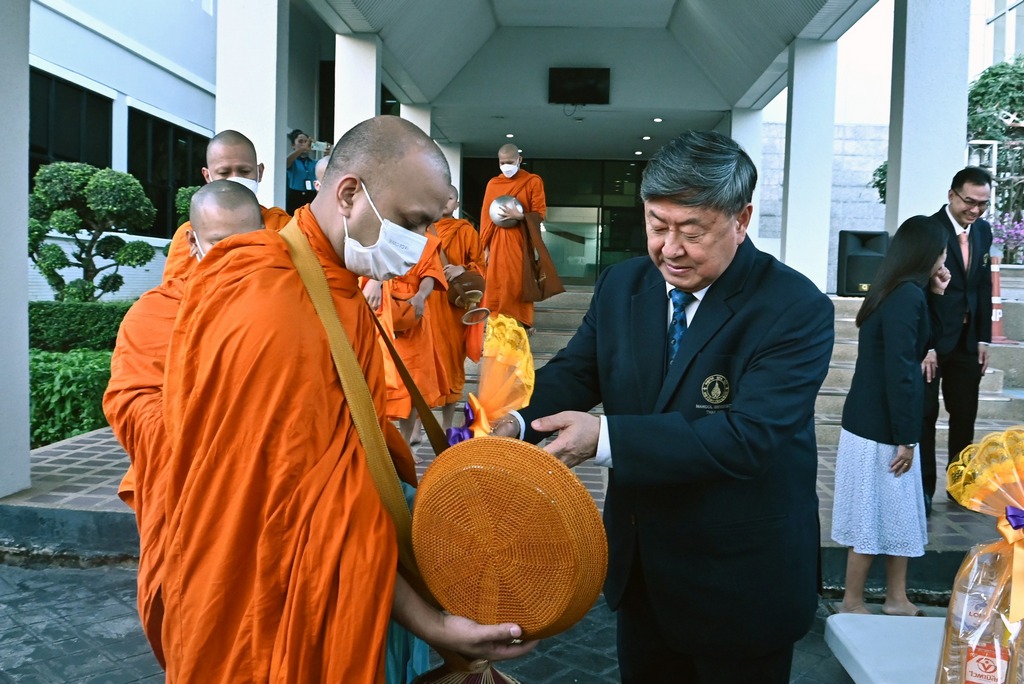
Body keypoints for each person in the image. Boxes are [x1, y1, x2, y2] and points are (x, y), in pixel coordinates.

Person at [160, 115, 532, 682]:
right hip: (269, 599)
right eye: (412, 222)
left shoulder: (332, 284)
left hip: (329, 579)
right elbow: (305, 510)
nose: (422, 243)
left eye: (430, 225)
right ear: (350, 194)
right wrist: (432, 624)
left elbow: (344, 473)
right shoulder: (269, 296)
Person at [494, 130, 835, 683]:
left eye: (692, 232)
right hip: (643, 572)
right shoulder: (623, 284)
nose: (670, 249)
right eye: (657, 226)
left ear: (742, 220)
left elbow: (748, 437)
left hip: (740, 582)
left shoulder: (793, 307)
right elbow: (579, 370)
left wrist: (605, 438)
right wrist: (514, 419)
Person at [103, 180, 266, 667]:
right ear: (193, 243)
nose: (235, 260)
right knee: (204, 629)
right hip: (192, 499)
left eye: (248, 245)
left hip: (271, 497)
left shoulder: (286, 303)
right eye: (220, 245)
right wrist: (219, 434)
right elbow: (130, 402)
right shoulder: (156, 313)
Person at [831, 216, 950, 616]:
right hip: (880, 426)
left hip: (871, 422)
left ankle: (897, 598)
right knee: (872, 514)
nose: (944, 259)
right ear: (926, 252)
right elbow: (901, 371)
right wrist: (907, 437)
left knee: (897, 513)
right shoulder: (904, 296)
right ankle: (852, 600)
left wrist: (937, 294)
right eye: (942, 251)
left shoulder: (896, 291)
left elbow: (926, 343)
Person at [920, 167, 994, 511]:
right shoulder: (929, 230)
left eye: (983, 204)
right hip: (933, 342)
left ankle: (960, 486)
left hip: (968, 341)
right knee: (926, 414)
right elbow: (919, 290)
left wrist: (984, 339)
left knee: (964, 414)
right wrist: (926, 343)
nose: (975, 210)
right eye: (969, 201)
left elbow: (982, 286)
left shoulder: (983, 231)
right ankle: (922, 489)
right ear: (952, 195)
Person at [162, 130, 290, 281]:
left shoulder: (283, 226)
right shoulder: (191, 233)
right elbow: (174, 290)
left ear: (259, 172)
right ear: (207, 176)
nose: (234, 179)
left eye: (244, 171)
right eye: (224, 173)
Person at [362, 227, 449, 446]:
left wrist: (420, 296)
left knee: (413, 386)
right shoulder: (381, 231)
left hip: (414, 315)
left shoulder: (426, 241)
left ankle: (405, 444)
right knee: (379, 382)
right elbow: (364, 263)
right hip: (381, 312)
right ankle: (383, 446)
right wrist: (377, 281)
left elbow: (431, 274)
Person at [428, 185, 486, 430]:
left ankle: (447, 425)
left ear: (457, 204)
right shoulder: (421, 228)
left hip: (453, 306)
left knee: (452, 364)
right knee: (424, 364)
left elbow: (481, 265)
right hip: (426, 304)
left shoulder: (465, 230)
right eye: (440, 198)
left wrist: (462, 269)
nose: (444, 202)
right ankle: (418, 426)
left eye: (450, 198)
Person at [479, 143, 546, 328]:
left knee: (517, 284)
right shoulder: (493, 184)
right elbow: (485, 217)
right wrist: (485, 247)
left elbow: (540, 214)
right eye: (502, 162)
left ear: (519, 160)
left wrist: (520, 216)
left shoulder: (532, 181)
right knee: (496, 284)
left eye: (510, 162)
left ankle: (519, 326)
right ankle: (497, 327)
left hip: (520, 242)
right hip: (496, 242)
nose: (506, 166)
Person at [285, 129, 320, 213]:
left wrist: (327, 154)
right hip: (295, 197)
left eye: (306, 142)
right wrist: (302, 148)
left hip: (311, 195)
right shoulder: (293, 162)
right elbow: (285, 163)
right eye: (300, 141)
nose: (304, 144)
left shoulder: (314, 163)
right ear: (293, 145)